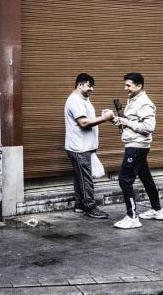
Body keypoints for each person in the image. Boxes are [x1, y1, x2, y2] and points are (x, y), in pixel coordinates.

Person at [110, 72, 163, 229]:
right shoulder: (133, 100)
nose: (125, 88)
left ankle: (132, 217)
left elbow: (149, 128)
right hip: (135, 145)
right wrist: (115, 119)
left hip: (136, 146)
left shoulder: (144, 102)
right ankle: (157, 210)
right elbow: (130, 123)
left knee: (124, 179)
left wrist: (127, 122)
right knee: (146, 178)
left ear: (139, 86)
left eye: (128, 85)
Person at [64, 73, 114, 219]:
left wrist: (101, 115)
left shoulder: (83, 99)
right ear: (80, 85)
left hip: (82, 146)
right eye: (89, 86)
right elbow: (84, 122)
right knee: (86, 179)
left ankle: (80, 205)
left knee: (80, 177)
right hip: (79, 148)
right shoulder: (75, 101)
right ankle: (90, 207)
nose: (91, 89)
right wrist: (105, 118)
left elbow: (89, 118)